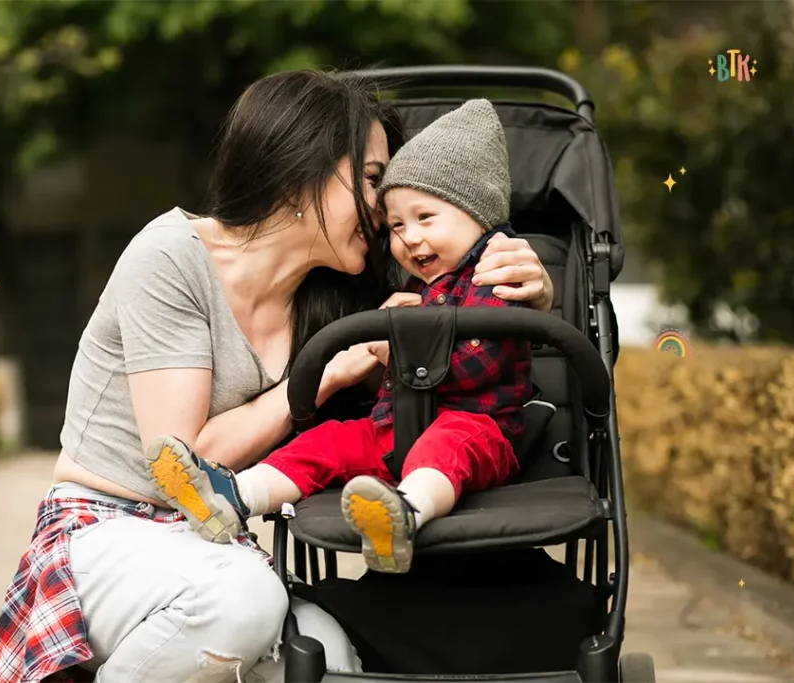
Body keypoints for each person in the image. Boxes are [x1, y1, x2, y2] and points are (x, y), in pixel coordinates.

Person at [0, 70, 556, 683]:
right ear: (300, 171)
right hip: (105, 530)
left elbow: (458, 350)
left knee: (332, 656)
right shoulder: (172, 257)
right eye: (371, 180)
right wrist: (328, 375)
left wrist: (534, 296)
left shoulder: (336, 294)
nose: (384, 206)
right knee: (242, 604)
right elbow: (184, 459)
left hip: (211, 545)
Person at [144, 99, 533, 575]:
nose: (406, 237)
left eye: (425, 219)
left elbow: (481, 365)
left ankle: (404, 514)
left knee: (445, 446)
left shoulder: (496, 272)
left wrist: (405, 352)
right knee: (326, 443)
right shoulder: (408, 285)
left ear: (478, 214)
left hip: (475, 427)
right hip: (396, 431)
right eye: (395, 225)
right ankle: (232, 497)